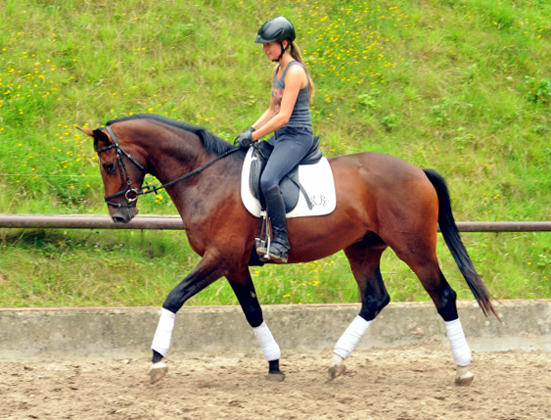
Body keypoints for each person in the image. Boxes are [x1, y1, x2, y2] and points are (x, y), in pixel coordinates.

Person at [235, 16, 315, 264]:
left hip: (297, 137)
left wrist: (255, 136)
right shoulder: (277, 69)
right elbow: (271, 110)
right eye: (264, 45)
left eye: (268, 44)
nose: (265, 49)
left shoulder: (294, 72)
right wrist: (250, 129)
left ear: (283, 43)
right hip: (281, 137)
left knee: (269, 179)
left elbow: (283, 117)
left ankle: (280, 242)